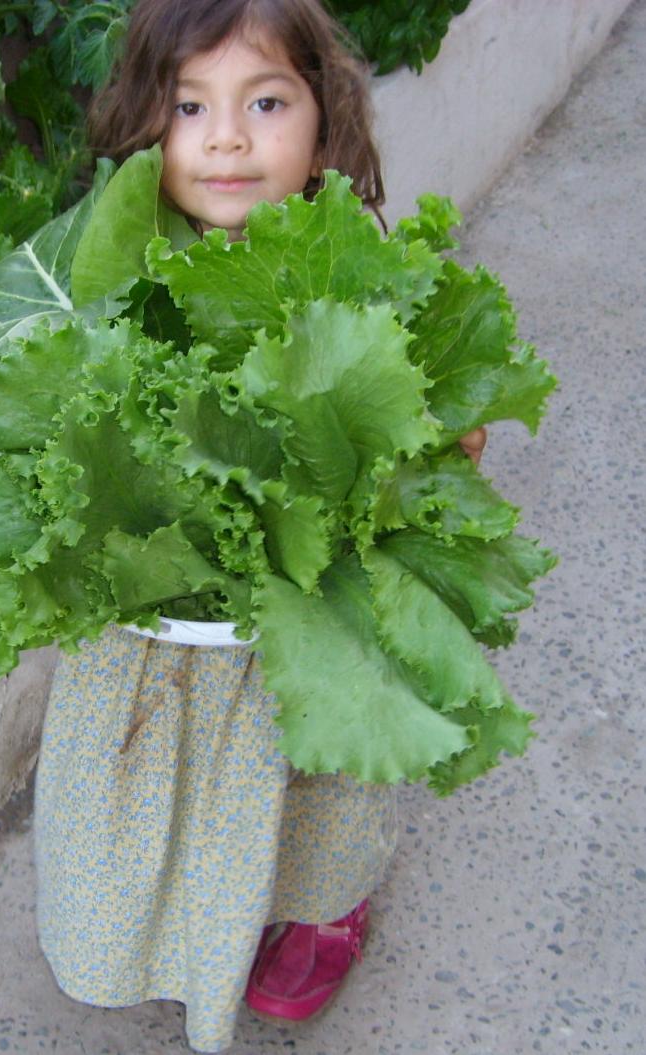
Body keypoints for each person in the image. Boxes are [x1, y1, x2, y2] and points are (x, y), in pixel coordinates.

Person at [33, 1, 485, 1051]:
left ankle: (324, 906)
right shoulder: (111, 259)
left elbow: (438, 417)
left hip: (305, 618)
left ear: (325, 122)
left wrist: (440, 450)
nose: (226, 137)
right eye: (189, 106)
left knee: (312, 786)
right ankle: (172, 921)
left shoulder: (353, 256)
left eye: (265, 101)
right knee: (153, 784)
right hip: (159, 628)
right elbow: (52, 411)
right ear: (145, 124)